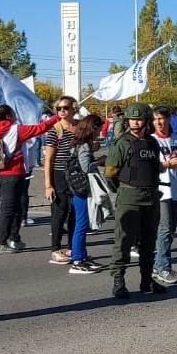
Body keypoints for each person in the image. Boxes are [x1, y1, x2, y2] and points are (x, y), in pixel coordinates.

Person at [102, 103, 162, 299]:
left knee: (148, 241)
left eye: (139, 119)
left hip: (151, 197)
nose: (135, 123)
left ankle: (147, 279)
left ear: (146, 121)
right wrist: (123, 192)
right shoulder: (122, 143)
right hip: (129, 197)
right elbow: (110, 174)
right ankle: (118, 280)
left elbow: (155, 169)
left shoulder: (153, 143)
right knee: (124, 240)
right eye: (132, 119)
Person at [0, 103, 62, 254]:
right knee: (9, 208)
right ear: (8, 116)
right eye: (13, 112)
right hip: (13, 173)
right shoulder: (16, 129)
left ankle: (15, 239)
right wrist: (58, 117)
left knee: (14, 207)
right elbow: (41, 128)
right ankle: (1, 243)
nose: (15, 115)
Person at [150, 105, 177, 286]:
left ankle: (163, 264)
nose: (159, 122)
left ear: (168, 120)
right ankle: (161, 267)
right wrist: (167, 164)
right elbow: (150, 167)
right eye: (155, 119)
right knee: (164, 229)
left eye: (162, 118)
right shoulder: (151, 141)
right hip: (162, 189)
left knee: (171, 230)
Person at [64, 115, 107, 274]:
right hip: (82, 188)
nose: (100, 132)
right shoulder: (83, 145)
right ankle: (77, 260)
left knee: (80, 224)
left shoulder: (79, 143)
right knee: (81, 225)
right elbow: (85, 167)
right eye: (98, 129)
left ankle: (82, 256)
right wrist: (100, 161)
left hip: (76, 188)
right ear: (92, 129)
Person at [42, 95, 80, 265]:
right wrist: (48, 185)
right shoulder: (55, 130)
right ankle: (55, 249)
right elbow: (48, 160)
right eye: (59, 108)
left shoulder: (80, 128)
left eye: (66, 107)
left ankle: (73, 247)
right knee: (60, 213)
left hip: (77, 176)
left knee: (75, 213)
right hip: (59, 176)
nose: (62, 111)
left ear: (74, 109)